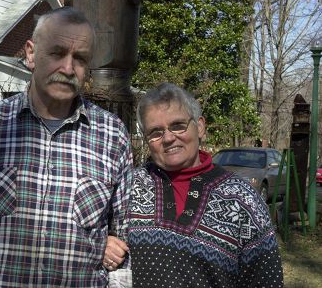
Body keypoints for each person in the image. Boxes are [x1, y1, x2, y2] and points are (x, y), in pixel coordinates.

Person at [0, 6, 133, 287]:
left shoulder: (112, 135)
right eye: (57, 53)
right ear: (31, 54)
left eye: (80, 59)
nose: (68, 68)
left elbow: (123, 232)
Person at [104, 82, 284, 287]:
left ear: (199, 127)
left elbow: (266, 279)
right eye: (155, 132)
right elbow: (84, 232)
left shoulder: (243, 200)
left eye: (178, 125)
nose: (169, 138)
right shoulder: (129, 186)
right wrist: (101, 244)